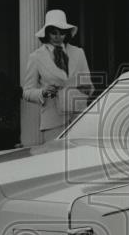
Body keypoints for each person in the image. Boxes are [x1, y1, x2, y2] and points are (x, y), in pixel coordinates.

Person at [22, 9, 93, 141]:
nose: (57, 37)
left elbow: (89, 86)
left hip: (78, 118)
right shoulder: (36, 57)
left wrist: (79, 92)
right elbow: (26, 92)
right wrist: (43, 92)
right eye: (53, 33)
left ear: (67, 34)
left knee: (79, 159)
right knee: (54, 159)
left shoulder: (78, 53)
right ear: (47, 33)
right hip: (53, 121)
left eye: (62, 33)